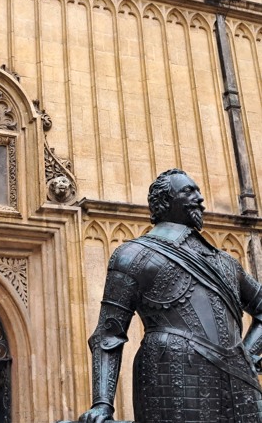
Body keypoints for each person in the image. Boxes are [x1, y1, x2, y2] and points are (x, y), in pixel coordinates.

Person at [78, 169, 262, 423]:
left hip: (239, 384)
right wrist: (102, 404)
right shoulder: (133, 255)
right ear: (165, 201)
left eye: (198, 191)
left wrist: (248, 356)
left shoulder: (226, 262)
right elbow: (109, 334)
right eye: (188, 191)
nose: (200, 199)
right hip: (172, 378)